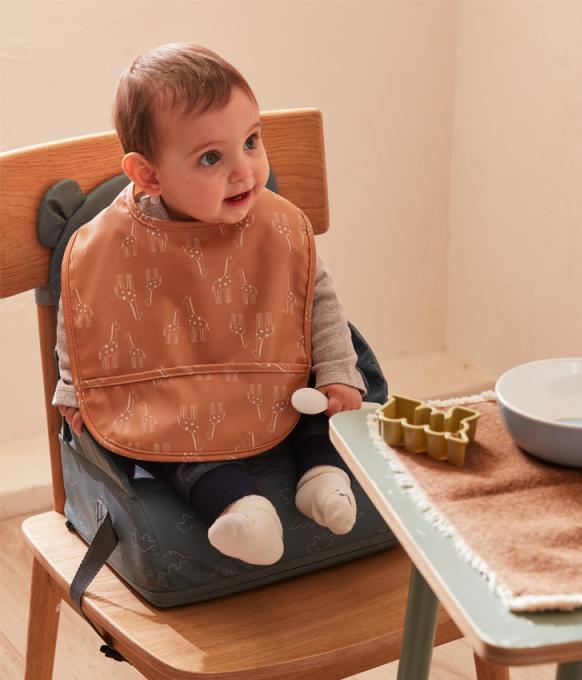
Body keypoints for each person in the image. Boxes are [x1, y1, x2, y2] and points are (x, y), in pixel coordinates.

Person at [52, 43, 366, 566]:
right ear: (149, 175)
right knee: (160, 434)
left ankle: (322, 473)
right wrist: (74, 382)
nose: (245, 170)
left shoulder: (277, 225)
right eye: (211, 158)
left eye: (251, 141)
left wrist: (337, 369)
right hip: (179, 403)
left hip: (277, 386)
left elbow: (317, 298)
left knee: (330, 398)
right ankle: (239, 508)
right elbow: (86, 310)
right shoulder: (108, 244)